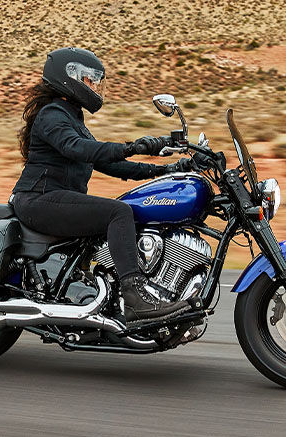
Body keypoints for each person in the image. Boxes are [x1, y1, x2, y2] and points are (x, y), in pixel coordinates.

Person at [11, 47, 194, 323]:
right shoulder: (51, 115)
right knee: (117, 212)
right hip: (39, 199)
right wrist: (132, 147)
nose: (94, 86)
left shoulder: (71, 116)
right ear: (68, 77)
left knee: (126, 207)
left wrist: (167, 170)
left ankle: (98, 292)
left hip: (54, 198)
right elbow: (78, 148)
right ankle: (134, 298)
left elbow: (110, 164)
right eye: (89, 80)